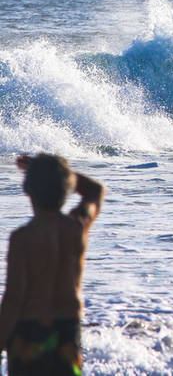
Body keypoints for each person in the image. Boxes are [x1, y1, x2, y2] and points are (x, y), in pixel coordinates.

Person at [0, 153, 105, 376]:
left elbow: (13, 299)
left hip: (28, 338)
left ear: (27, 189)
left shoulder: (22, 238)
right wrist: (61, 176)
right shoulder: (76, 228)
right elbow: (95, 191)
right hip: (66, 334)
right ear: (67, 189)